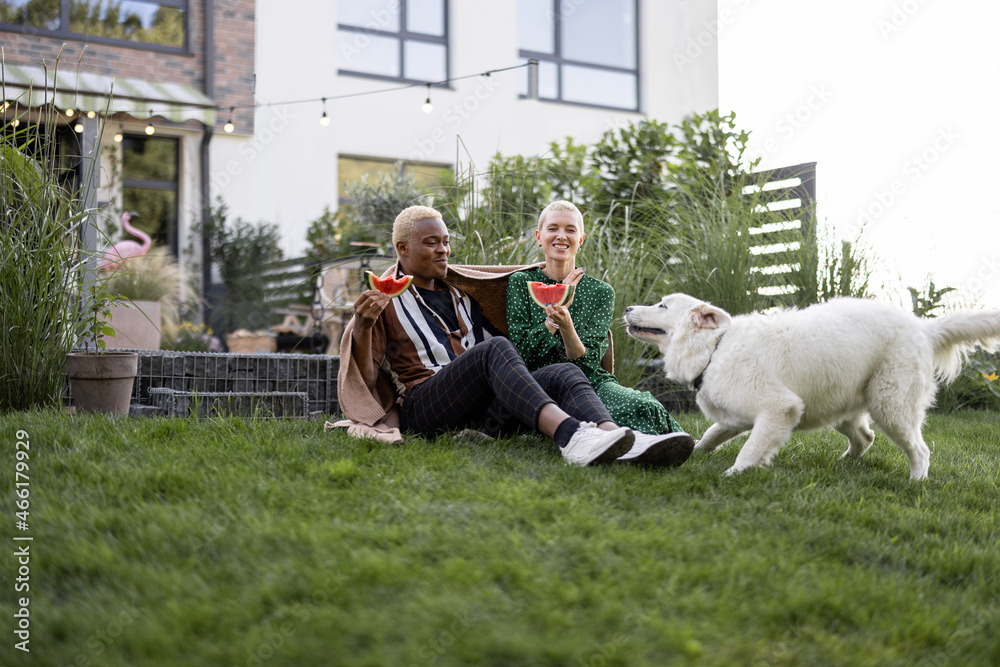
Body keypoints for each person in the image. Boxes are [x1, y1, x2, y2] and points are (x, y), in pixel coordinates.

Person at [335, 204, 683, 466]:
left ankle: (617, 440)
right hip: (426, 407)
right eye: (431, 243)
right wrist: (363, 326)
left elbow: (507, 356)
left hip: (479, 411)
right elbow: (364, 379)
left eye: (446, 242)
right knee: (496, 348)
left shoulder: (461, 295)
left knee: (565, 371)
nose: (443, 250)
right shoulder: (383, 303)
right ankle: (570, 435)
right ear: (402, 249)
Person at [505, 200, 694, 467]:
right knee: (602, 414)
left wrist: (567, 325)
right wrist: (552, 321)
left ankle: (661, 444)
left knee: (638, 403)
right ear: (539, 237)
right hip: (540, 384)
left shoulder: (600, 292)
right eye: (553, 228)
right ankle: (630, 446)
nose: (561, 236)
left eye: (570, 230)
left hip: (590, 382)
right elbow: (522, 354)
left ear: (580, 239)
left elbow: (588, 361)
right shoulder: (520, 283)